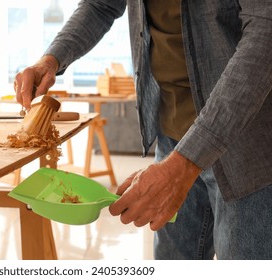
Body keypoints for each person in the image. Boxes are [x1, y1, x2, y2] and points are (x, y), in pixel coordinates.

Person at [14, 0, 272, 259]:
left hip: (247, 143)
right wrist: (52, 59)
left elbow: (265, 33)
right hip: (171, 136)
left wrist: (185, 164)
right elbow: (100, 5)